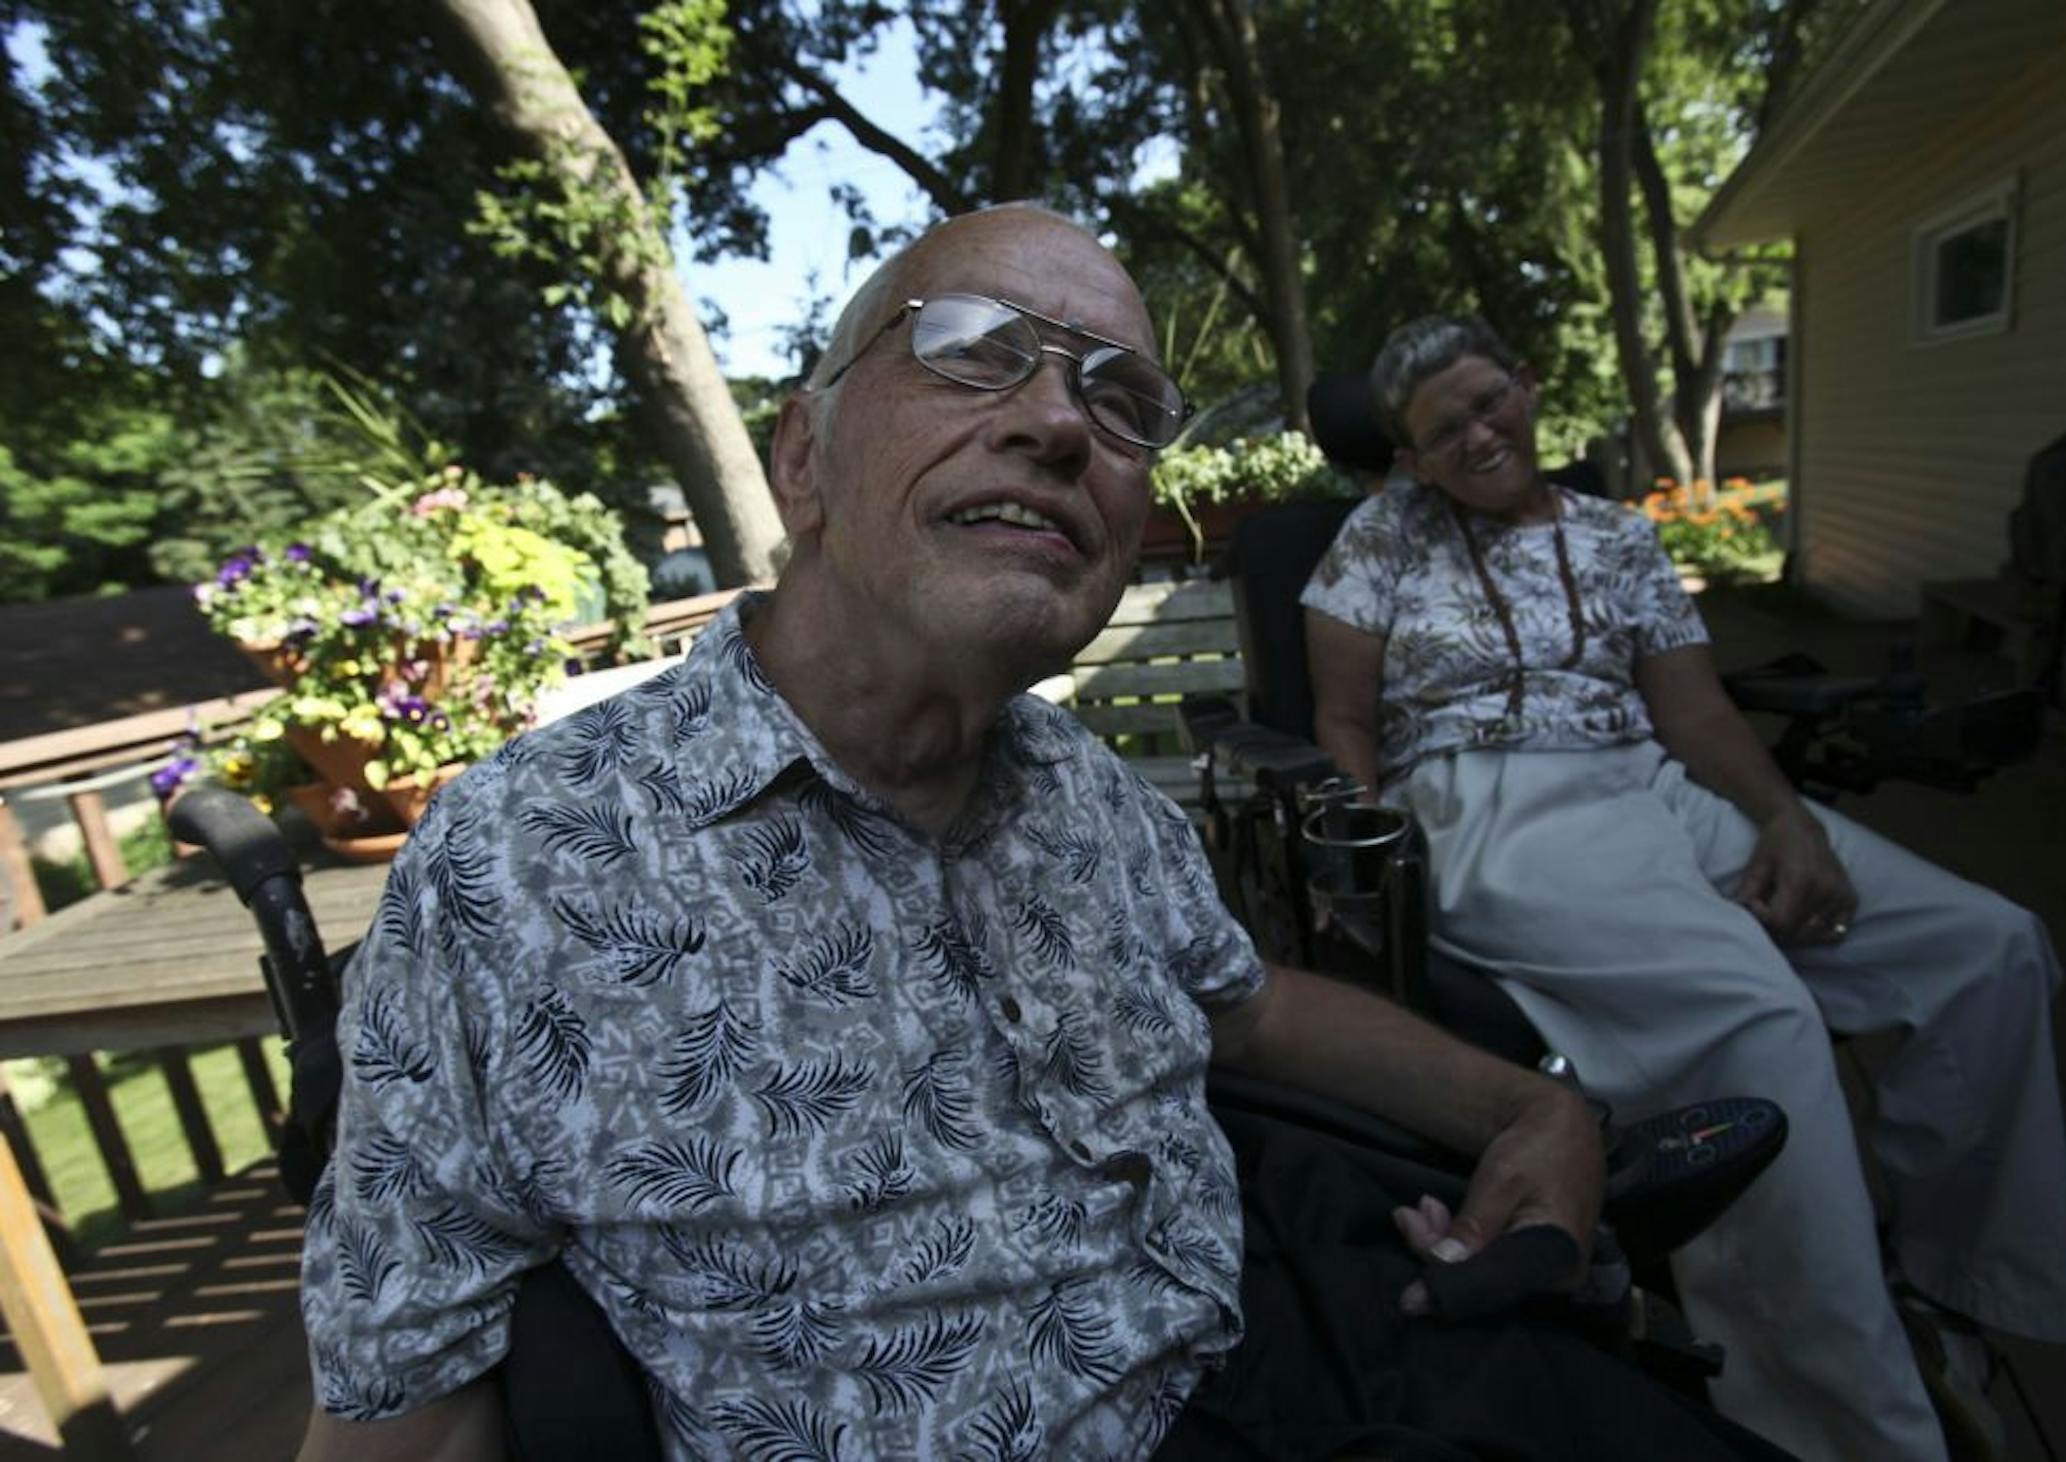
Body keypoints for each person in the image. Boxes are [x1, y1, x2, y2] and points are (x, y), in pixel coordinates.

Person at [292, 208, 1788, 1462]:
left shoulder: (1079, 785)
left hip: (1292, 1347)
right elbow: (404, 1404)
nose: (1063, 421)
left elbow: (1249, 1008)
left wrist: (1537, 1110)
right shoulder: (522, 869)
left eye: (1123, 402)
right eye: (972, 351)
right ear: (802, 458)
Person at [1301, 312, 2066, 1462]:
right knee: (1760, 1017)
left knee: (1989, 944)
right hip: (1491, 806)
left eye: (1490, 402)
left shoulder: (1621, 538)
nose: (1479, 434)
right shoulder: (1379, 539)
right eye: (1443, 430)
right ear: (1412, 458)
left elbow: (1697, 713)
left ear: (1526, 386)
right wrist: (1363, 856)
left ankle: (1953, 1289)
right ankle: (1834, 1421)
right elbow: (1340, 719)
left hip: (1650, 785)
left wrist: (1785, 820)